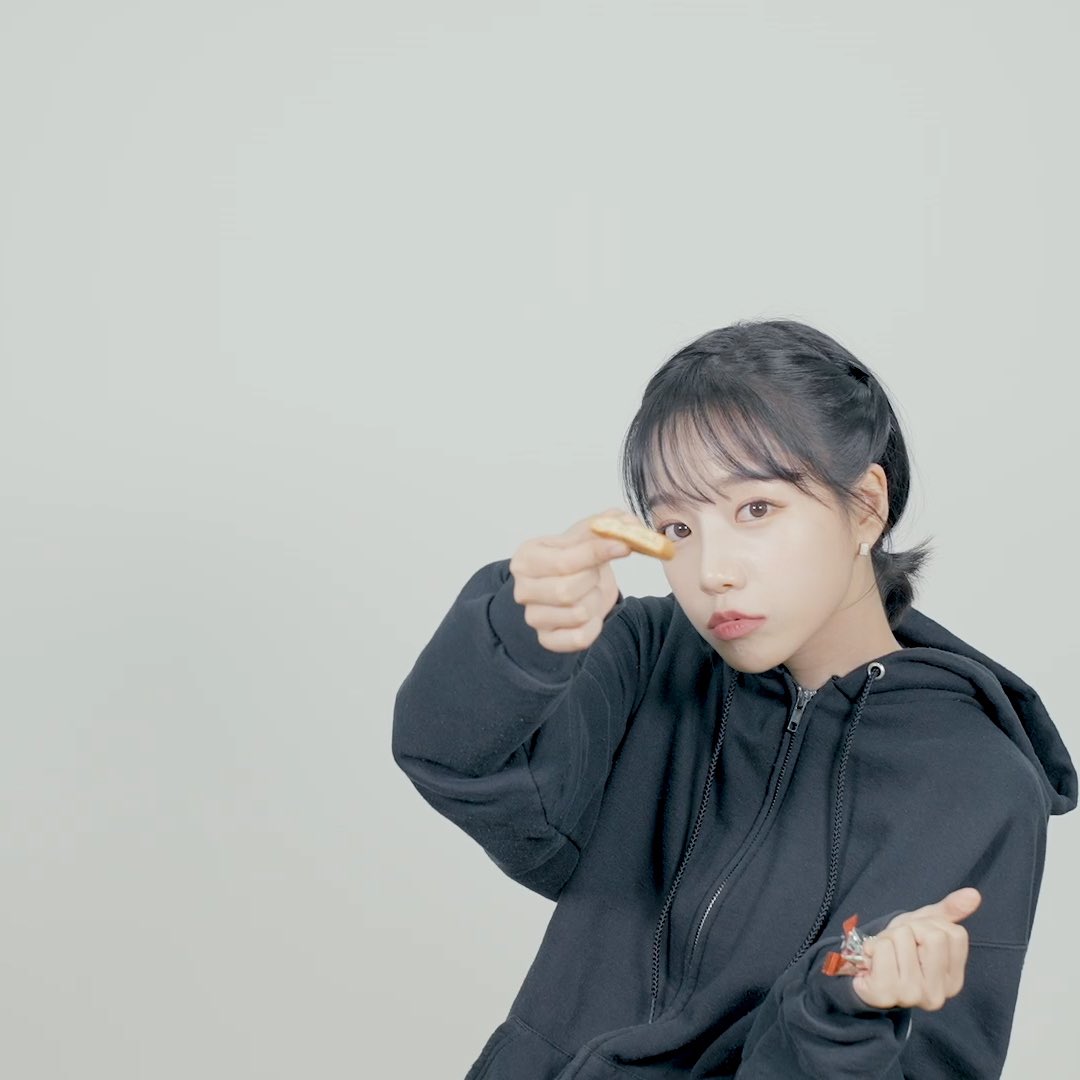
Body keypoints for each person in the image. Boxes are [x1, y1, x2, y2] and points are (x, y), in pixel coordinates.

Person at [391, 319, 1076, 1078]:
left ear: (865, 506)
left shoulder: (975, 785)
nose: (712, 570)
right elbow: (460, 762)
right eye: (678, 526)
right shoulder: (650, 654)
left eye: (756, 510)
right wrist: (518, 633)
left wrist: (844, 1013)